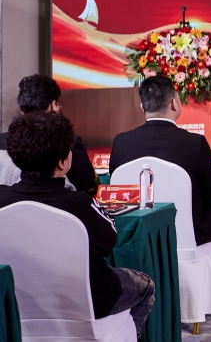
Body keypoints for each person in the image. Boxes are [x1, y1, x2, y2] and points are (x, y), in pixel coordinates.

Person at [109, 77, 211, 307]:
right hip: (190, 229)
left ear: (142, 107)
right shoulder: (194, 142)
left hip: (139, 232)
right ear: (174, 103)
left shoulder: (121, 142)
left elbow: (118, 189)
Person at [0, 112, 155, 337]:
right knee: (145, 286)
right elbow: (109, 241)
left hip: (16, 299)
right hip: (87, 302)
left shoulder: (2, 200)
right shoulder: (79, 205)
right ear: (63, 162)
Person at [0, 74, 96, 194]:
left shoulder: (2, 141)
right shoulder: (67, 141)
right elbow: (88, 185)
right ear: (52, 105)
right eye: (57, 104)